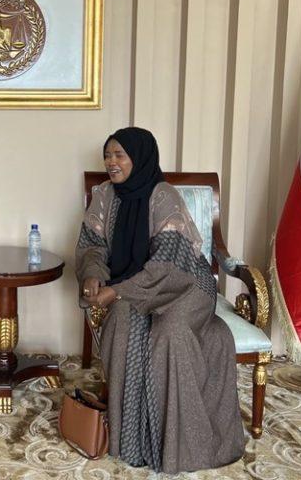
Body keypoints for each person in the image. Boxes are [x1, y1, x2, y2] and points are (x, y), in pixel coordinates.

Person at [75, 127, 245, 473]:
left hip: (184, 283)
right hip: (134, 285)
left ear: (140, 158)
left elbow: (168, 264)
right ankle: (132, 440)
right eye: (107, 155)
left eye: (119, 155)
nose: (111, 162)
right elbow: (92, 246)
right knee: (122, 324)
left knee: (170, 334)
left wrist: (116, 291)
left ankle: (184, 447)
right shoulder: (104, 195)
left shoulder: (163, 195)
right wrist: (93, 275)